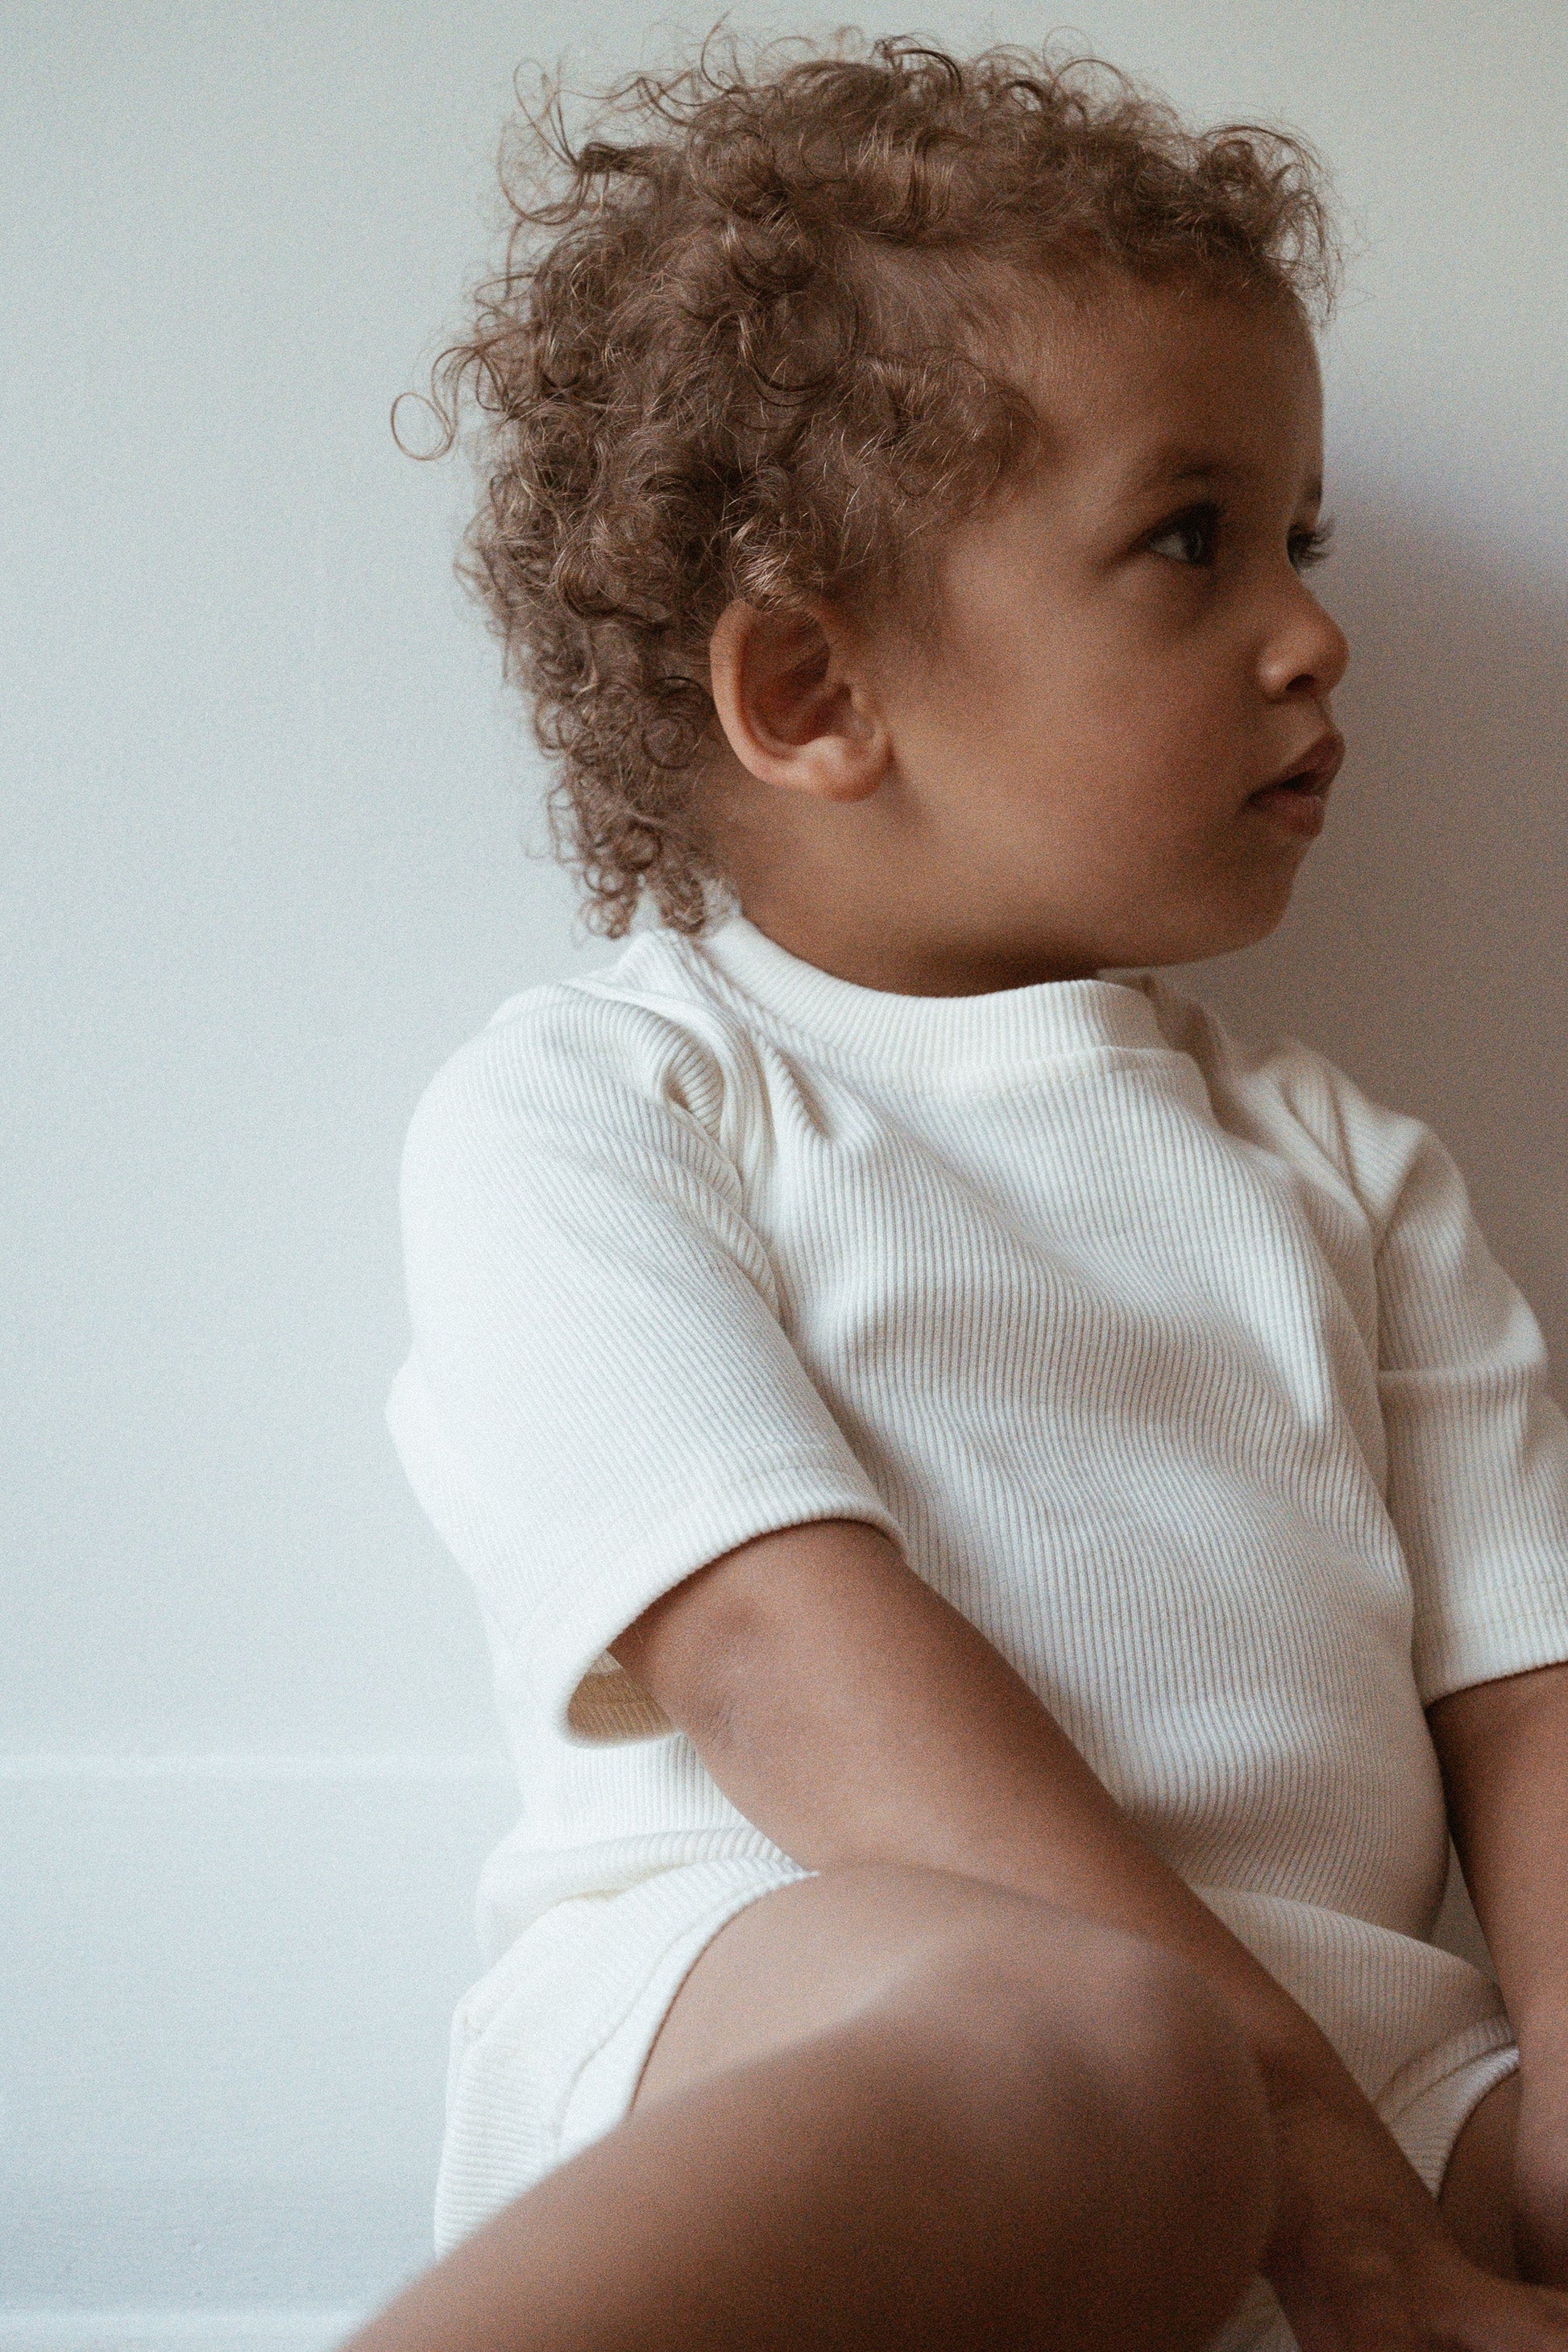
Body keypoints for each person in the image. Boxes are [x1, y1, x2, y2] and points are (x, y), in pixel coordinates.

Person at [349, 32, 1568, 2351]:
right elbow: (780, 1660)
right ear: (810, 685)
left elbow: (1528, 1686)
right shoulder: (601, 1109)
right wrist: (1294, 2149)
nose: (1313, 633)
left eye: (1297, 539)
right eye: (1188, 540)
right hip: (855, 2017)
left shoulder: (1345, 1170)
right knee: (1092, 2060)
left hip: (1392, 2089)